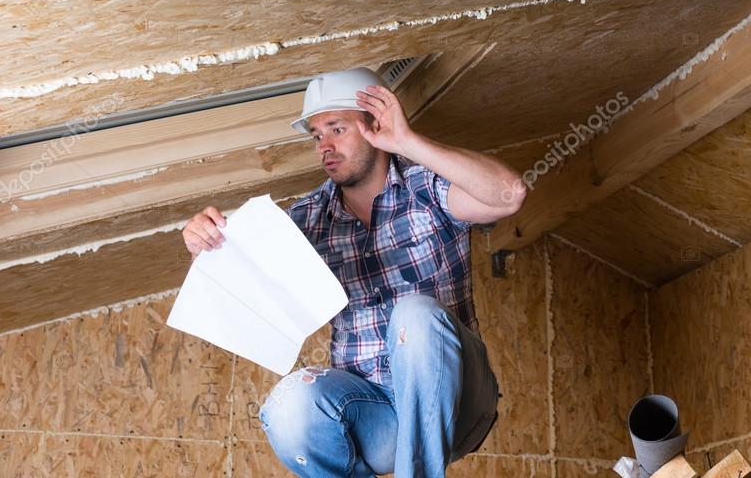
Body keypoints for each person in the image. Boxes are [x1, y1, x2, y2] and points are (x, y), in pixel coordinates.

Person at [180, 67, 527, 477]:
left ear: (375, 126)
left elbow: (510, 195)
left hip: (457, 403)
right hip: (379, 417)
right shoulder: (306, 219)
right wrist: (204, 246)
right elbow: (237, 291)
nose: (324, 146)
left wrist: (408, 142)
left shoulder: (427, 188)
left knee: (415, 314)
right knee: (289, 404)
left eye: (337, 129)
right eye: (316, 136)